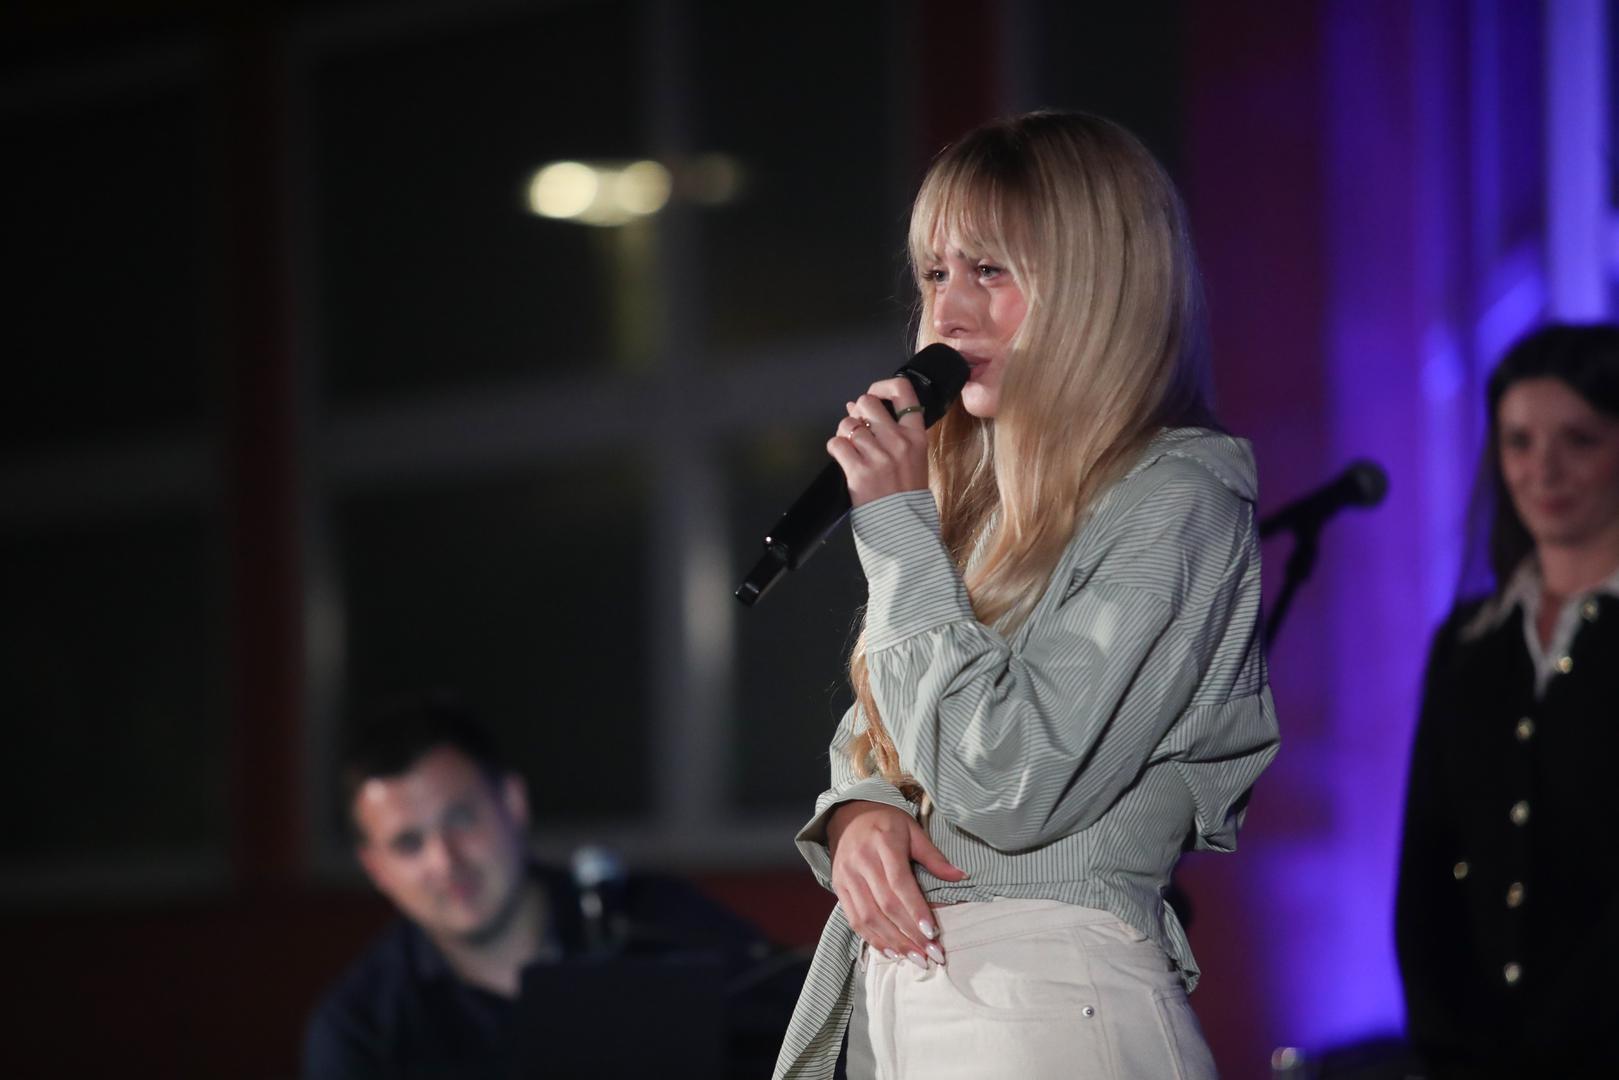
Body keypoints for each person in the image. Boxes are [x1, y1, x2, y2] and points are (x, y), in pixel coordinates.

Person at [772, 111, 1280, 1080]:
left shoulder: (1176, 501)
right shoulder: (973, 509)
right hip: (926, 1013)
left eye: (989, 271)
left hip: (1051, 1006)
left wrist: (895, 527)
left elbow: (1011, 779)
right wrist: (858, 813)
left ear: (1096, 285)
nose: (949, 313)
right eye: (934, 274)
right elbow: (880, 734)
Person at [304, 698, 790, 1079]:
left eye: (461, 819)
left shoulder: (665, 923)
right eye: (409, 843)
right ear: (376, 868)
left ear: (513, 803)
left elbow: (805, 1040)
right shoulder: (361, 1030)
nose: (445, 861)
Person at [1396, 323, 1619, 1078]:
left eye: (1578, 440)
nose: (1542, 470)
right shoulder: (1466, 643)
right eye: (1518, 442)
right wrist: (1448, 1042)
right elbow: (1425, 868)